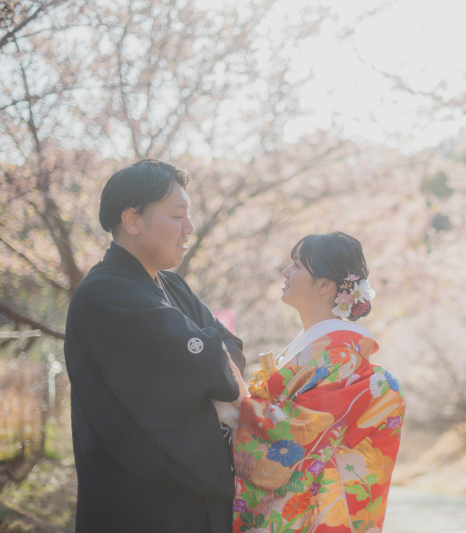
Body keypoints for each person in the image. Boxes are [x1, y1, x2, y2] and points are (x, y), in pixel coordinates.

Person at [64, 159, 246, 533]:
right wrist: (216, 362)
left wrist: (216, 360)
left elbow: (229, 346)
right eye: (177, 216)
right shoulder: (105, 293)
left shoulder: (170, 285)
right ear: (132, 220)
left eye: (189, 216)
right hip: (141, 506)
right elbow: (213, 361)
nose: (189, 228)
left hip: (194, 495)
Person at [231, 232, 405, 533]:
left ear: (325, 284)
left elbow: (295, 437)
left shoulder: (341, 359)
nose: (285, 272)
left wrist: (238, 399)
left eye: (296, 265)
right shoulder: (323, 352)